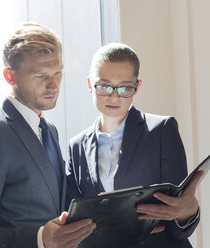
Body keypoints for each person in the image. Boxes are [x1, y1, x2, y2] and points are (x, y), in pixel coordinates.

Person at [0, 22, 96, 248]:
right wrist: (40, 239)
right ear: (10, 76)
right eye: (40, 76)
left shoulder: (50, 130)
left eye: (58, 73)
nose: (53, 85)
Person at [66, 43, 202, 247]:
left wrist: (187, 211)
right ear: (89, 84)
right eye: (104, 86)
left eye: (124, 88)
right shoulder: (76, 146)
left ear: (136, 87)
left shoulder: (162, 130)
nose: (114, 96)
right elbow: (76, 225)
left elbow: (177, 224)